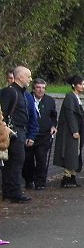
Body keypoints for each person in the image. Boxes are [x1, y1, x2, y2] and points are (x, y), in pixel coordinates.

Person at [1, 66, 34, 203]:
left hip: (19, 130)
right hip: (13, 131)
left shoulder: (22, 93)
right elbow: (3, 111)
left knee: (14, 162)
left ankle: (10, 191)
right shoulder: (11, 92)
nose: (30, 79)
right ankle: (14, 192)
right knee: (16, 161)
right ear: (20, 77)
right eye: (28, 76)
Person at [23, 78, 58, 190]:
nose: (41, 90)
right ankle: (29, 180)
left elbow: (53, 116)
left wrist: (53, 126)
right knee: (27, 159)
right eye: (38, 87)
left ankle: (40, 182)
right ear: (33, 88)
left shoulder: (50, 101)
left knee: (41, 158)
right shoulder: (27, 98)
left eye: (43, 88)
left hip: (44, 135)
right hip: (30, 135)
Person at [53, 75, 84, 187]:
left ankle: (71, 176)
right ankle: (67, 177)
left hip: (75, 129)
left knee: (74, 152)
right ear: (74, 85)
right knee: (70, 152)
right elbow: (70, 114)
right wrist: (74, 130)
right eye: (80, 84)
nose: (83, 86)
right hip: (69, 131)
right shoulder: (70, 97)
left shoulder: (75, 97)